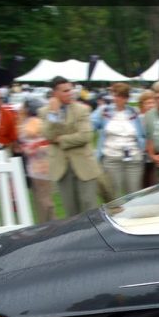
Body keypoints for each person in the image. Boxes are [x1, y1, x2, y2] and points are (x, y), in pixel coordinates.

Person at [39, 76, 102, 217]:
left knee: (89, 208)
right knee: (71, 211)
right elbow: (48, 135)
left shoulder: (82, 109)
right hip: (61, 167)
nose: (70, 93)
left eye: (70, 90)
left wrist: (60, 139)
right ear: (55, 93)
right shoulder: (45, 112)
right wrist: (54, 114)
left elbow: (85, 136)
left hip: (84, 166)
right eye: (65, 91)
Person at [91, 82, 145, 199]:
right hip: (112, 158)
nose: (117, 99)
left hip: (133, 158)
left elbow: (142, 134)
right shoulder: (104, 111)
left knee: (134, 194)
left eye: (121, 96)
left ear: (127, 98)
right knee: (114, 196)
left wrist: (142, 149)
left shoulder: (134, 112)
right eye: (115, 95)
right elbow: (90, 126)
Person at [18, 99, 54, 223]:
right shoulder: (39, 121)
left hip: (39, 166)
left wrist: (28, 148)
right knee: (42, 197)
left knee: (43, 198)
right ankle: (47, 222)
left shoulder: (32, 123)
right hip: (40, 165)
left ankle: (49, 223)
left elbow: (33, 139)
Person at [138, 90, 158, 188]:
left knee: (154, 183)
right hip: (141, 157)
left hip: (156, 157)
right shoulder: (138, 119)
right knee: (143, 183)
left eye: (153, 102)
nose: (150, 105)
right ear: (142, 105)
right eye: (147, 103)